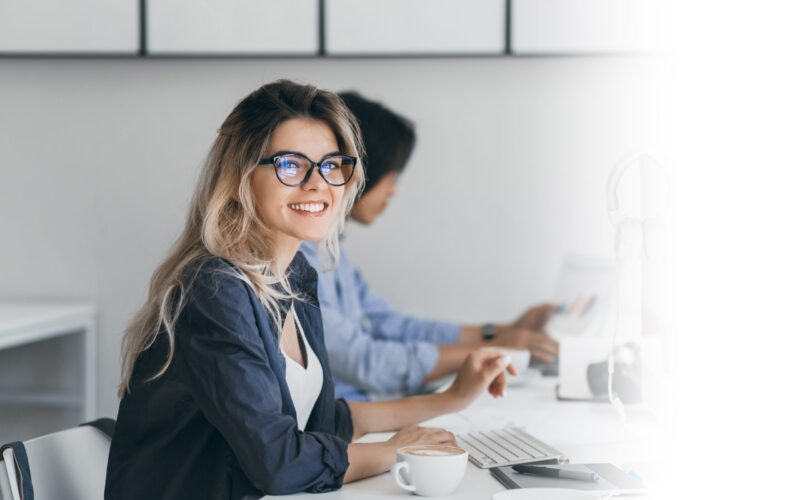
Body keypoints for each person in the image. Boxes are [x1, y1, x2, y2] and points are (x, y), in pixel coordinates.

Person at [105, 80, 516, 499]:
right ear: (241, 176)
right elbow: (279, 463)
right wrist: (397, 450)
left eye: (332, 164)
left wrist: (451, 399)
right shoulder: (216, 290)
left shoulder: (294, 274)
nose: (319, 182)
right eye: (291, 165)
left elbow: (320, 422)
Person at [300, 92, 559, 402]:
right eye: (391, 174)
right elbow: (364, 361)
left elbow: (392, 325)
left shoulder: (331, 251)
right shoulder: (298, 260)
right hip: (347, 426)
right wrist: (494, 349)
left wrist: (500, 333)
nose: (394, 189)